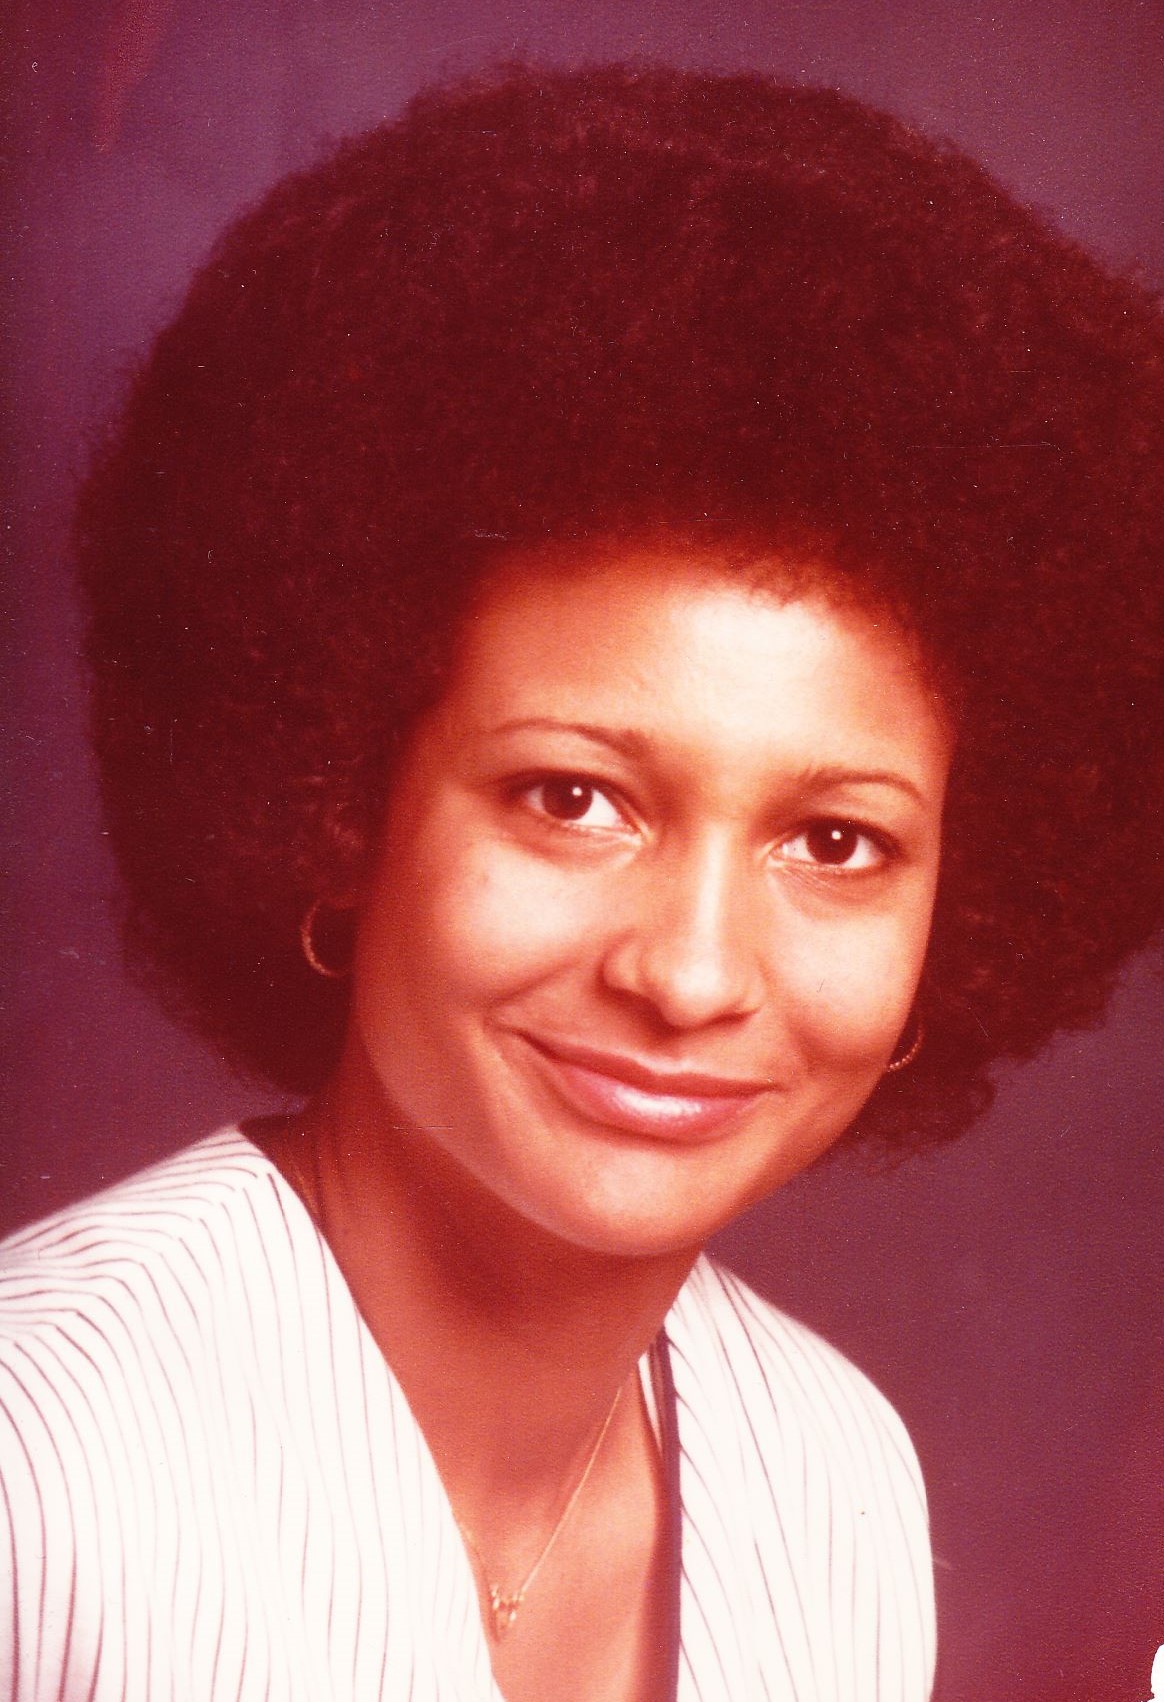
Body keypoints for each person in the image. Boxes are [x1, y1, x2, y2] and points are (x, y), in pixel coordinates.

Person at [2, 63, 1162, 1702]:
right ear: (341, 802)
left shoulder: (836, 1478)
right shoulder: (35, 1475)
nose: (690, 971)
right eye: (574, 798)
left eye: (836, 841)